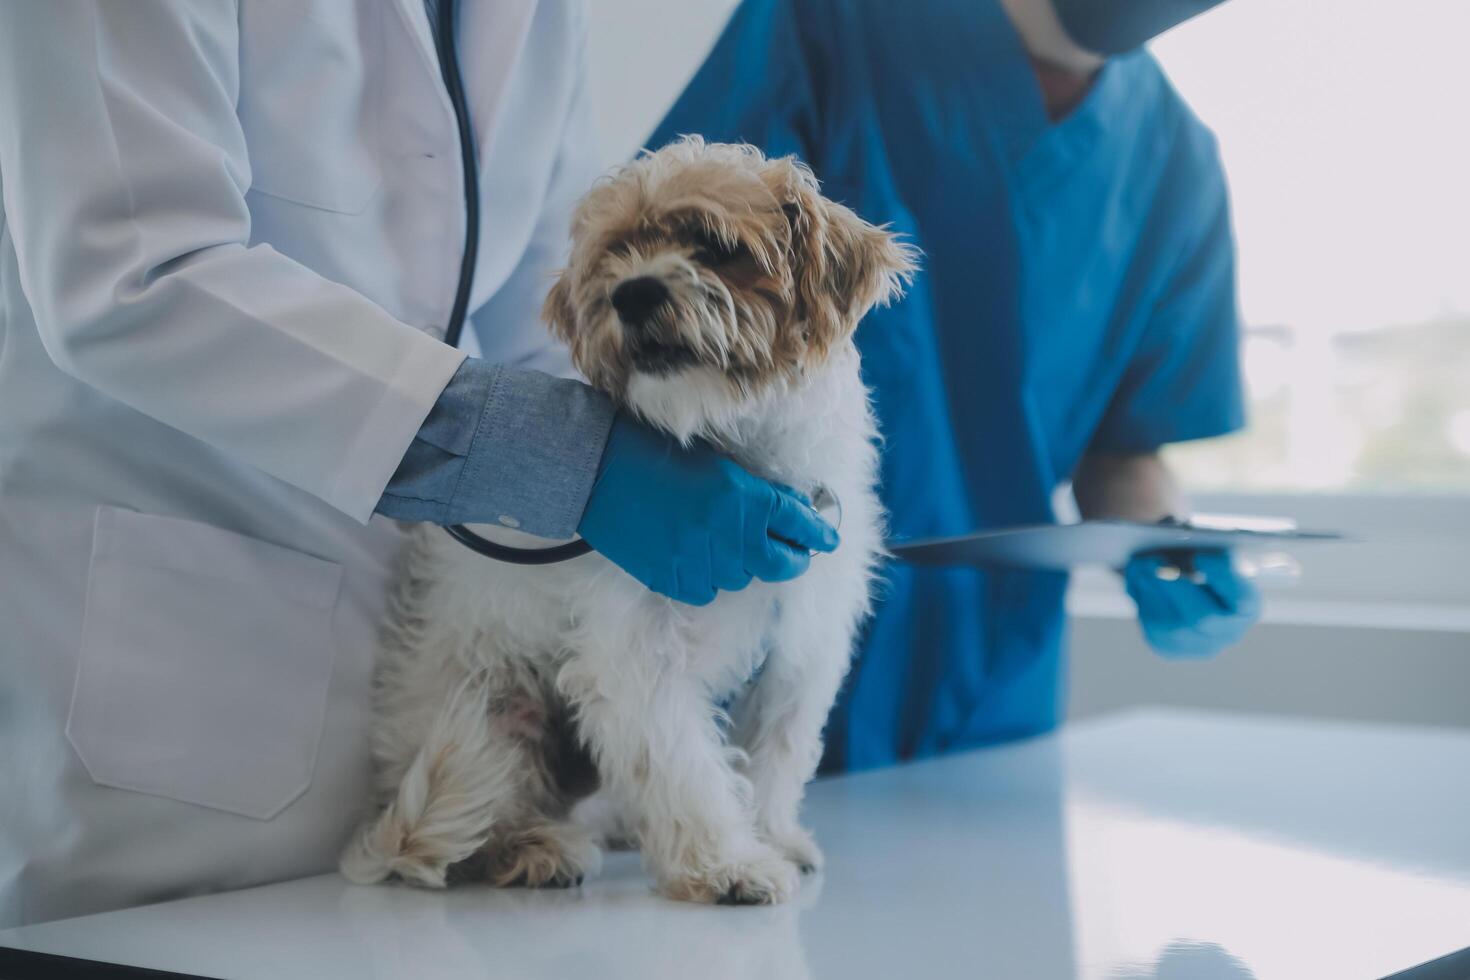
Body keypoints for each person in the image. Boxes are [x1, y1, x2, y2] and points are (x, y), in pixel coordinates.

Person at [0, 1, 837, 926]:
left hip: (435, 670)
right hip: (169, 683)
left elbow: (535, 313)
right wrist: (560, 457)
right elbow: (129, 272)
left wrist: (668, 445)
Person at [649, 0, 1262, 773]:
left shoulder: (1175, 159)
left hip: (992, 688)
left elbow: (1126, 448)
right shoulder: (825, 27)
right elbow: (654, 296)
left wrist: (1167, 544)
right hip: (758, 630)